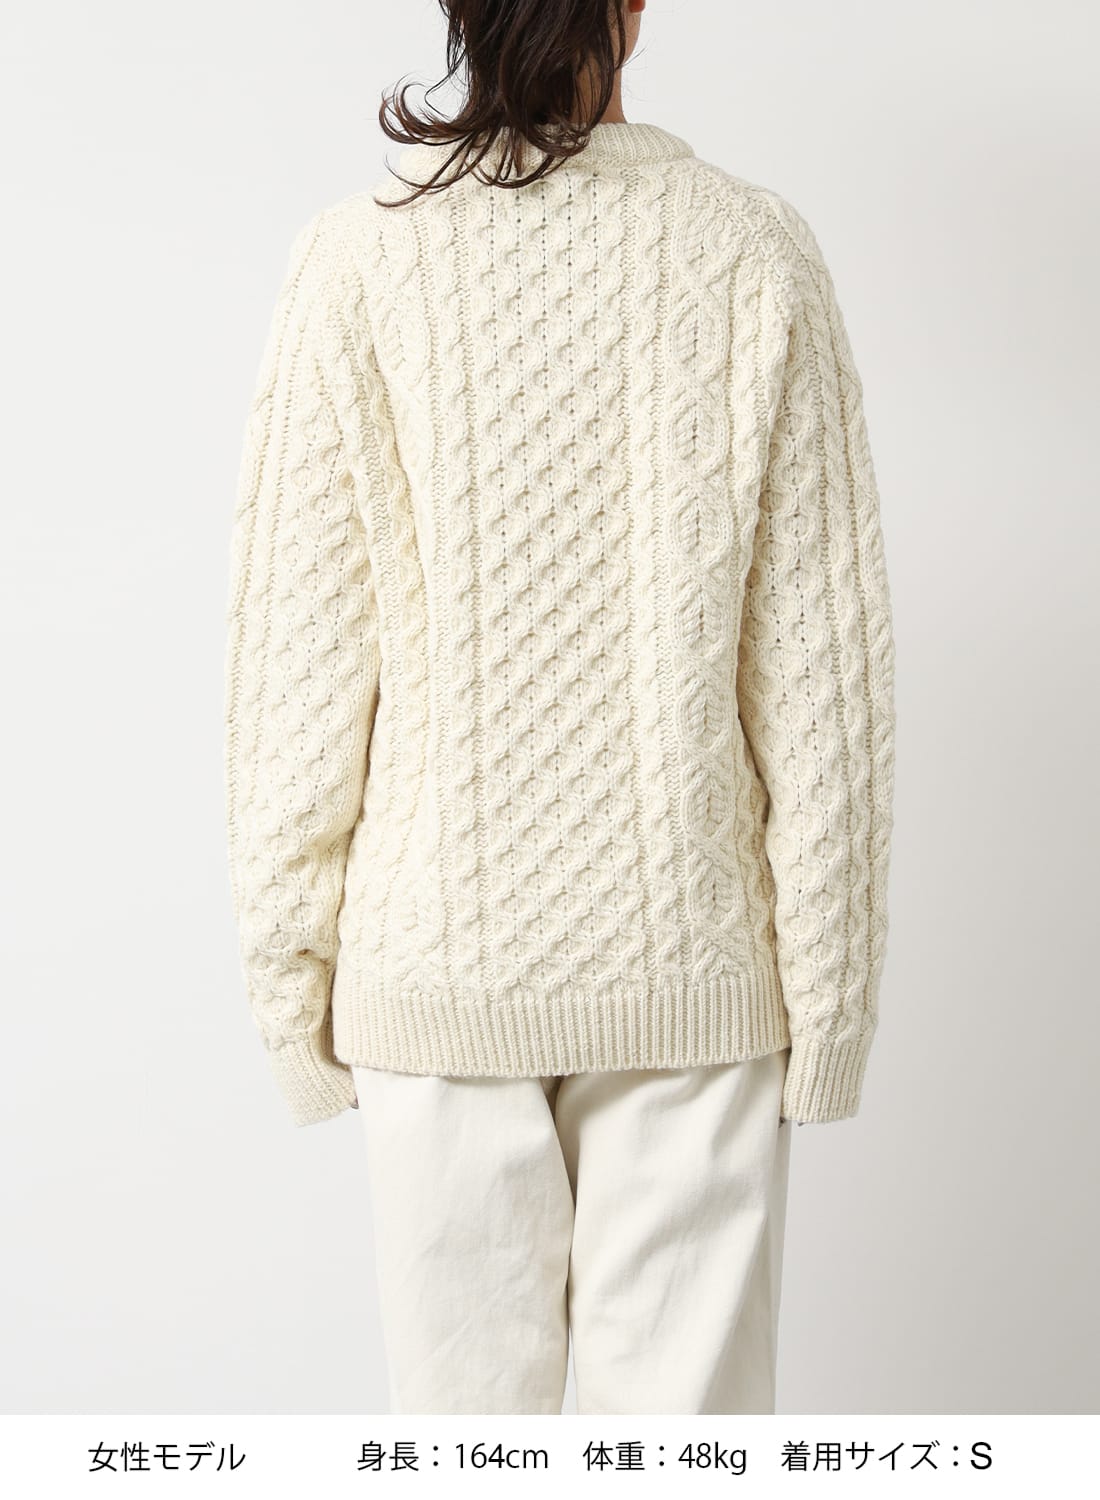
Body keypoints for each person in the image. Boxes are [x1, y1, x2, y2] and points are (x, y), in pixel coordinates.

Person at [222, 0, 897, 1416]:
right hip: (692, 985)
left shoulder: (359, 264)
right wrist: (830, 1001)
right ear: (633, 6)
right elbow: (820, 688)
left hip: (436, 979)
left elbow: (299, 671)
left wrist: (291, 986)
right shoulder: (752, 252)